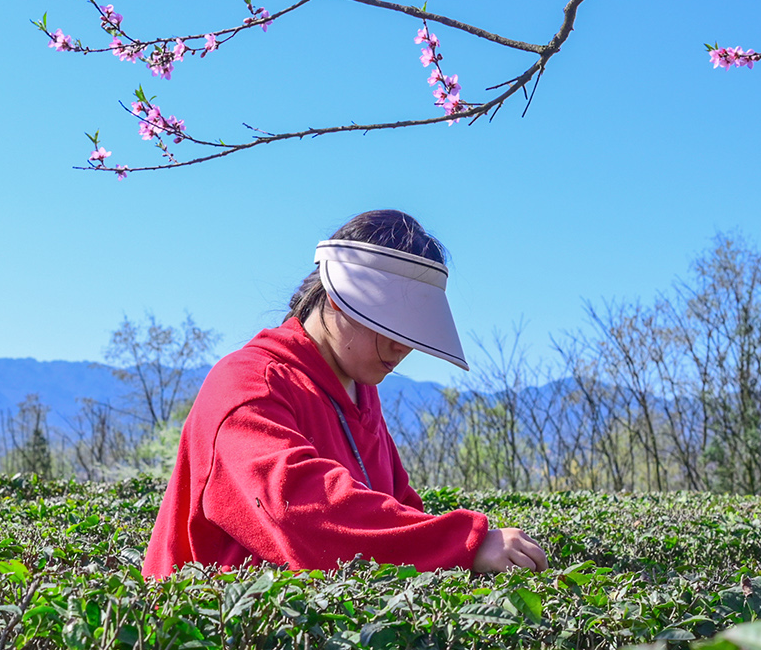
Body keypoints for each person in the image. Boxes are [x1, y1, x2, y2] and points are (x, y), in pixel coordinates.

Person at [143, 210, 549, 577]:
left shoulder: (360, 390)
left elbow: (399, 506)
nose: (401, 347)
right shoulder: (248, 383)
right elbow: (298, 511)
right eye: (388, 326)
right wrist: (465, 544)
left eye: (412, 334)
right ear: (336, 299)